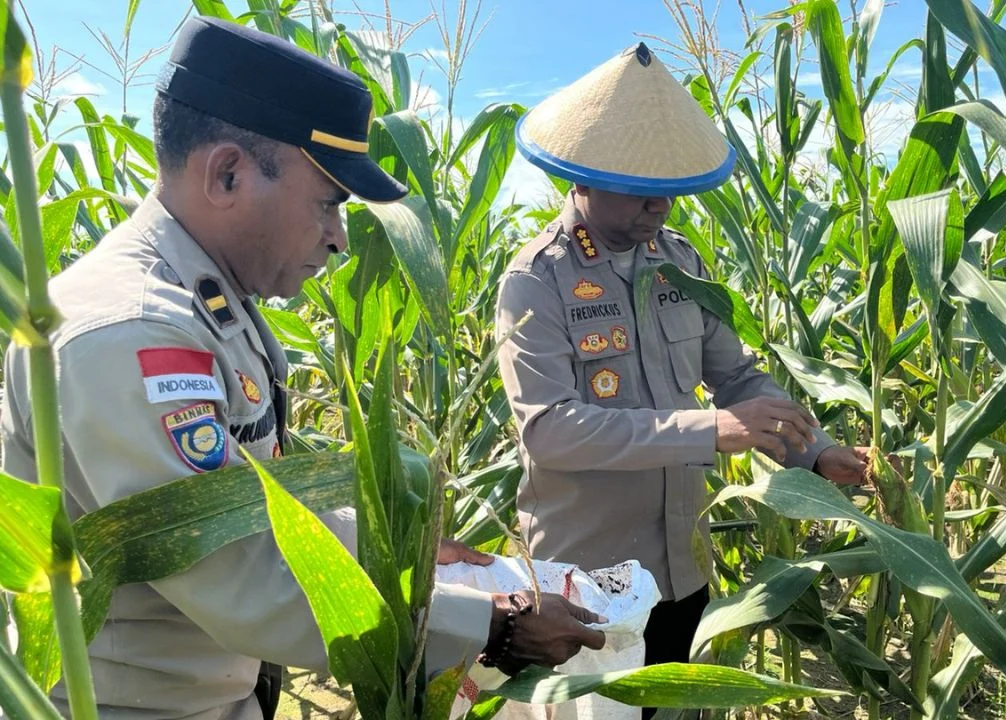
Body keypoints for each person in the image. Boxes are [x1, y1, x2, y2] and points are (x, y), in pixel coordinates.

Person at [0, 17, 603, 720]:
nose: (339, 238)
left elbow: (250, 507)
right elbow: (241, 576)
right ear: (226, 173)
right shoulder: (133, 333)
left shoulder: (211, 303)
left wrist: (396, 550)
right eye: (327, 204)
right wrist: (494, 626)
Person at [493, 41, 871, 715]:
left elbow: (737, 379)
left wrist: (814, 452)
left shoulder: (680, 263)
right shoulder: (536, 281)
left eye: (668, 187)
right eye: (639, 188)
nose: (660, 205)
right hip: (590, 580)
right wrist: (709, 431)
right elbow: (549, 431)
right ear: (582, 178)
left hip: (682, 567)